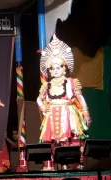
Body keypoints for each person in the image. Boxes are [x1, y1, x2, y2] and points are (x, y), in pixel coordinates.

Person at [37, 34, 90, 170]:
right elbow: (39, 99)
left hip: (68, 114)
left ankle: (77, 164)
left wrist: (86, 113)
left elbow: (80, 98)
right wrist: (42, 106)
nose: (55, 70)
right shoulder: (46, 85)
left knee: (73, 139)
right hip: (52, 115)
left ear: (64, 68)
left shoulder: (71, 82)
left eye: (58, 67)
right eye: (52, 68)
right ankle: (57, 165)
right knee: (54, 141)